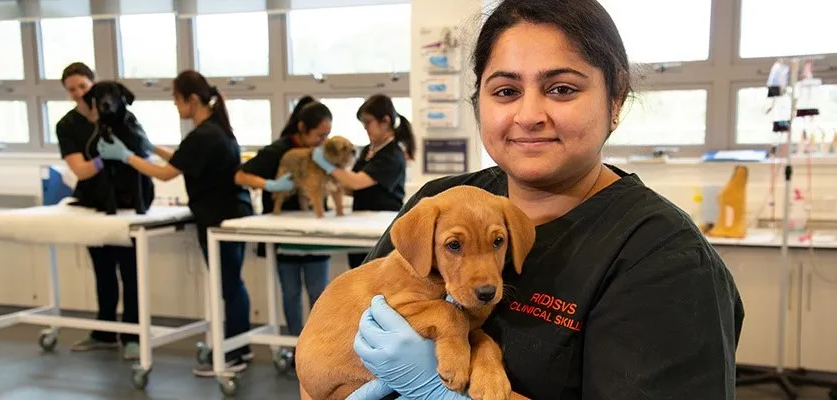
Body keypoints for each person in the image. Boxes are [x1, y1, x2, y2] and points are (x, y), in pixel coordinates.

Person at [303, 0, 746, 399]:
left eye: (562, 89)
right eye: (506, 91)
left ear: (616, 99)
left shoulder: (665, 260)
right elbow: (347, 337)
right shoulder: (438, 202)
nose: (530, 116)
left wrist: (439, 394)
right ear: (479, 103)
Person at [95, 70, 254, 376]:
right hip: (228, 212)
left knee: (229, 285)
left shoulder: (205, 134)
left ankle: (234, 353)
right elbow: (181, 160)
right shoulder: (213, 130)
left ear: (192, 99)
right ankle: (236, 347)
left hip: (220, 217)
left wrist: (126, 156)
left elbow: (167, 173)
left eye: (176, 99)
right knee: (231, 284)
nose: (174, 105)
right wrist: (149, 146)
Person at [55, 62, 151, 361]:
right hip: (95, 204)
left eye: (82, 86)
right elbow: (81, 171)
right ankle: (104, 331)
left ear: (94, 85)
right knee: (103, 270)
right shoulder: (68, 126)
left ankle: (133, 334)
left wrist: (126, 155)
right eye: (72, 90)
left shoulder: (126, 117)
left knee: (131, 270)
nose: (78, 94)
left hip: (129, 206)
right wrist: (102, 160)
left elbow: (143, 152)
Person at [234, 97, 333, 339]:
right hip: (284, 233)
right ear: (302, 129)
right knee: (290, 292)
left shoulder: (323, 154)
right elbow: (240, 176)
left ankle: (318, 345)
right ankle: (294, 344)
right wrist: (270, 184)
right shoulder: (278, 151)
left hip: (314, 235)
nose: (323, 142)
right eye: (320, 135)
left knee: (319, 292)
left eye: (327, 135)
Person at [310, 94, 414, 269]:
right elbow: (350, 186)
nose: (366, 128)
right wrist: (330, 183)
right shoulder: (368, 150)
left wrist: (328, 166)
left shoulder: (393, 155)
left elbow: (357, 182)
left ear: (385, 121)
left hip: (380, 227)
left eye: (368, 122)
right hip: (361, 222)